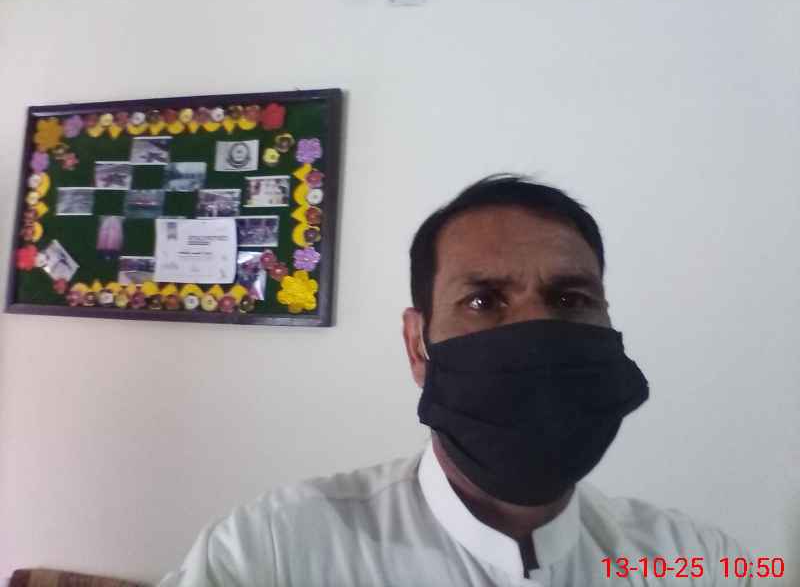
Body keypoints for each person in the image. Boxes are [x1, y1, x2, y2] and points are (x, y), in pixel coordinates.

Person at [159, 174, 753, 586]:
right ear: (417, 344)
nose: (535, 334)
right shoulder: (271, 552)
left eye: (571, 298)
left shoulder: (695, 562)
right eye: (483, 301)